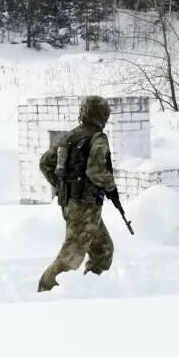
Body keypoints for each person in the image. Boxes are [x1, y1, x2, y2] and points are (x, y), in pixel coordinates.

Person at [37, 95, 118, 292]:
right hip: (85, 207)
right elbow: (96, 171)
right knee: (71, 256)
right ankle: (46, 291)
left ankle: (90, 287)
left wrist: (63, 187)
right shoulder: (98, 138)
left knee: (103, 250)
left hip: (72, 204)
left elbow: (45, 163)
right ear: (101, 115)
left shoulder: (69, 136)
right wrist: (110, 187)